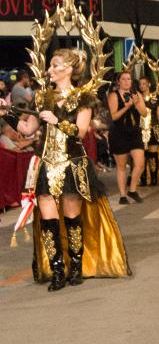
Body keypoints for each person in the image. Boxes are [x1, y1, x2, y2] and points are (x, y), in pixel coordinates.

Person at [16, 48, 130, 289]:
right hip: (46, 164)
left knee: (72, 217)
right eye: (50, 66)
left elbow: (80, 131)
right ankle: (57, 270)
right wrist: (7, 113)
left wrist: (56, 120)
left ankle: (75, 267)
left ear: (68, 69)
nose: (50, 70)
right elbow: (27, 129)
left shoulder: (83, 98)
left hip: (72, 164)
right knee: (48, 219)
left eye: (55, 65)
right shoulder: (42, 97)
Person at [107, 70, 147, 203]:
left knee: (140, 163)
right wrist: (127, 106)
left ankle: (132, 190)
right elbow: (114, 116)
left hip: (134, 131)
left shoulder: (137, 94)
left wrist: (136, 103)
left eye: (129, 79)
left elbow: (144, 113)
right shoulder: (113, 95)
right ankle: (122, 195)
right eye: (123, 79)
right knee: (122, 166)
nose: (126, 81)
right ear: (118, 82)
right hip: (119, 132)